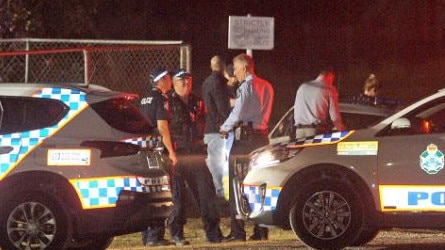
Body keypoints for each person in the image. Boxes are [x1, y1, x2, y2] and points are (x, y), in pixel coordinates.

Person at [220, 53, 274, 241]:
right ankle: (261, 230)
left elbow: (238, 113)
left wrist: (224, 127)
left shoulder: (246, 87)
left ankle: (237, 231)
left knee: (237, 182)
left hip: (245, 140)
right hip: (262, 137)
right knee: (260, 182)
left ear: (244, 68)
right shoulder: (267, 85)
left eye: (235, 69)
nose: (234, 73)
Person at [167, 68, 225, 244]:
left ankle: (213, 233)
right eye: (182, 81)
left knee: (207, 194)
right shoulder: (168, 102)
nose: (186, 84)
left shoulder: (197, 102)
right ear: (174, 83)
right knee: (178, 197)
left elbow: (203, 123)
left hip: (196, 154)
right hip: (178, 155)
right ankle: (177, 233)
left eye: (189, 81)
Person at [139, 67, 178, 246]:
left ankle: (147, 236)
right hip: (158, 151)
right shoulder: (159, 99)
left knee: (148, 192)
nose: (171, 80)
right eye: (168, 77)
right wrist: (171, 152)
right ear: (161, 80)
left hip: (145, 151)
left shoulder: (145, 98)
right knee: (160, 192)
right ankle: (156, 236)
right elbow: (162, 127)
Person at [202, 55, 234, 201]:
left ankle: (218, 193)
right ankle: (221, 194)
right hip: (219, 130)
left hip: (210, 128)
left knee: (214, 163)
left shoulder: (206, 82)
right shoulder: (219, 83)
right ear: (223, 67)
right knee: (220, 164)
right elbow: (223, 108)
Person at [293, 68, 346, 139]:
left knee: (303, 150)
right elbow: (335, 117)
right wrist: (343, 131)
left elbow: (296, 108)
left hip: (299, 131)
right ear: (330, 77)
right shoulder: (329, 89)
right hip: (315, 132)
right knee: (315, 150)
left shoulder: (302, 87)